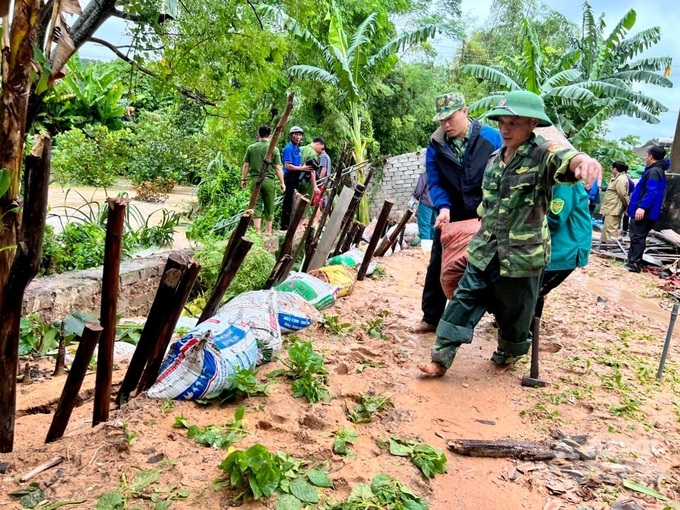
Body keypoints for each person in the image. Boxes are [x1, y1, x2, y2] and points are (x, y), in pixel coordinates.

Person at [419, 90, 601, 376]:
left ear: (531, 124)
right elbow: (485, 205)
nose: (505, 128)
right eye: (502, 122)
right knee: (463, 299)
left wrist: (584, 161)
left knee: (515, 314)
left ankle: (507, 354)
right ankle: (440, 359)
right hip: (485, 248)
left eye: (513, 123)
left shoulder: (542, 154)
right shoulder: (494, 158)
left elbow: (566, 159)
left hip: (521, 256)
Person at [411, 92, 503, 334]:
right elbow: (436, 181)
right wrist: (443, 207)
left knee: (493, 265)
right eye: (441, 121)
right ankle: (431, 318)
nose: (446, 125)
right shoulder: (436, 144)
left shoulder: (492, 138)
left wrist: (493, 210)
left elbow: (507, 174)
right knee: (438, 262)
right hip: (452, 214)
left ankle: (502, 318)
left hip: (487, 214)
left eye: (450, 118)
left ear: (465, 111)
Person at [534, 182, 591, 320]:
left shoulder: (564, 184)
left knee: (531, 292)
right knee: (531, 289)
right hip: (552, 246)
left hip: (565, 248)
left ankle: (525, 333)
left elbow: (554, 219)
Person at [626, 146, 668, 273]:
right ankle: (634, 262)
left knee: (637, 237)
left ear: (650, 156)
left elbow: (651, 192)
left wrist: (642, 207)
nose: (645, 158)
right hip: (649, 211)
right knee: (638, 236)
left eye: (646, 156)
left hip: (645, 211)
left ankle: (633, 264)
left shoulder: (654, 172)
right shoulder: (658, 171)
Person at [241, 125, 285, 236]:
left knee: (256, 205)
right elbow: (278, 167)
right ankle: (269, 231)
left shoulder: (251, 148)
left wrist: (244, 179)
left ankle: (257, 232)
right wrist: (282, 182)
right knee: (269, 205)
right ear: (269, 136)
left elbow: (246, 165)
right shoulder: (274, 149)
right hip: (269, 180)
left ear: (258, 135)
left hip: (256, 180)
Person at [280, 126, 311, 231]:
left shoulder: (298, 149)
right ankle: (284, 225)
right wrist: (301, 168)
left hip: (296, 176)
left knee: (294, 200)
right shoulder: (288, 148)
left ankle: (290, 224)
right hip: (289, 176)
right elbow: (287, 165)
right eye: (296, 134)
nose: (298, 137)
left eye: (299, 135)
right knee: (288, 200)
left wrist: (303, 167)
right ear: (291, 135)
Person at [599, 161, 630, 241]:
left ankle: (609, 248)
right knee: (607, 228)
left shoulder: (621, 179)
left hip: (614, 208)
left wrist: (627, 205)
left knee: (611, 230)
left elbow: (622, 194)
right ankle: (605, 247)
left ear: (615, 169)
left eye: (612, 168)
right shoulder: (616, 178)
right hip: (610, 207)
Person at [410, 171, 436, 241]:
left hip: (427, 201)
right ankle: (435, 249)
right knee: (434, 226)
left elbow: (421, 184)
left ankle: (427, 249)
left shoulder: (427, 168)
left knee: (424, 226)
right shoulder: (442, 166)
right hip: (438, 202)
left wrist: (415, 197)